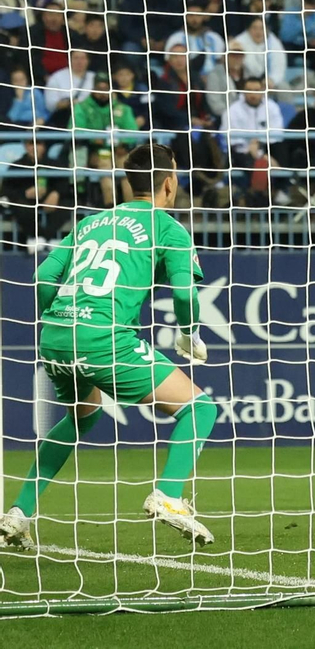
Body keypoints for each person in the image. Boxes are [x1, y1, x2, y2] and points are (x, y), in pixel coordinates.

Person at [0, 145, 217, 550]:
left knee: (82, 416)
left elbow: (43, 276)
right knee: (200, 409)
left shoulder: (91, 222)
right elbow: (184, 293)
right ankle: (169, 495)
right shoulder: (168, 228)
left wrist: (61, 319)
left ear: (128, 183)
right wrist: (189, 334)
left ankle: (19, 511)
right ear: (170, 184)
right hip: (104, 338)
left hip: (56, 334)